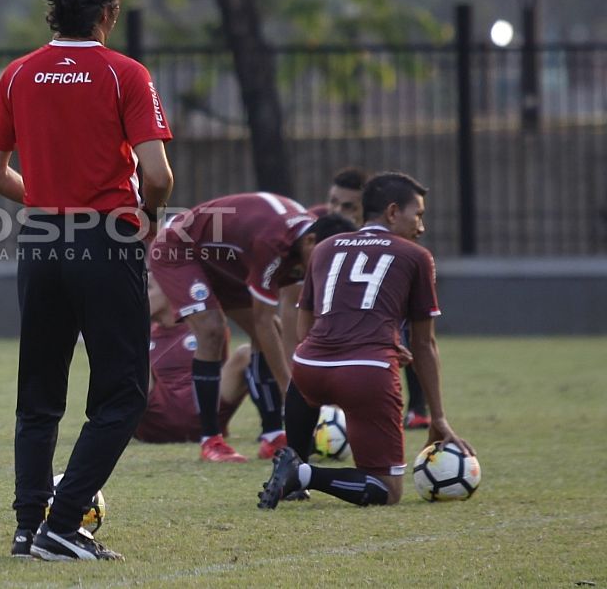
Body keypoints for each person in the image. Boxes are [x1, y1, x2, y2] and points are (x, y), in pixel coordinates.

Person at [0, 0, 173, 561]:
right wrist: (146, 215)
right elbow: (158, 173)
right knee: (123, 394)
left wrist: (45, 200)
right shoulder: (125, 74)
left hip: (38, 240)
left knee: (38, 393)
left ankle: (27, 526)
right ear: (109, 11)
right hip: (105, 239)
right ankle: (63, 525)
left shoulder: (17, 74)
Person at [258, 172, 475, 509]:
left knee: (304, 377)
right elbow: (424, 345)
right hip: (367, 372)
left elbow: (304, 330)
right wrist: (438, 418)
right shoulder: (417, 256)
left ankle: (294, 458)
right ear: (392, 212)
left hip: (309, 366)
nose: (421, 227)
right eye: (417, 215)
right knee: (386, 489)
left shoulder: (325, 247)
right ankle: (301, 475)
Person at [148, 193, 356, 463]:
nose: (325, 268)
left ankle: (272, 436)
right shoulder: (274, 242)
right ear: (310, 241)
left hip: (225, 258)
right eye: (324, 259)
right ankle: (211, 441)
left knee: (271, 331)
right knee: (212, 330)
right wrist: (291, 391)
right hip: (179, 249)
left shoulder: (308, 242)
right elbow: (262, 319)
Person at [309, 166, 431, 431]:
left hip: (352, 357)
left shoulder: (399, 250)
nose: (338, 212)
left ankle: (418, 409)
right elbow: (300, 310)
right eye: (333, 202)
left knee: (406, 330)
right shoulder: (321, 232)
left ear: (366, 209)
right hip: (337, 358)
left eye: (348, 206)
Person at [134, 276, 200, 444]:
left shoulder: (206, 329)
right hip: (153, 417)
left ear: (169, 290)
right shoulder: (142, 336)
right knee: (132, 350)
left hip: (200, 413)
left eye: (147, 288)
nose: (139, 294)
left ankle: (271, 430)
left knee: (244, 354)